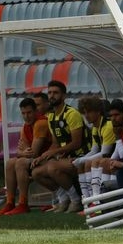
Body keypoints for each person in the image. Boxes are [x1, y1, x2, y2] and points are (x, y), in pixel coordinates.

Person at [30, 80, 86, 213]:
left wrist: (54, 152)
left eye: (55, 93)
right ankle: (63, 198)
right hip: (65, 158)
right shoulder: (51, 117)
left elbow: (77, 143)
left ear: (64, 96)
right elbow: (55, 143)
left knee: (52, 167)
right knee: (36, 172)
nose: (51, 95)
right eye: (49, 92)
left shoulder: (71, 114)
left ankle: (76, 201)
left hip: (80, 156)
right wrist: (44, 155)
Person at [0, 97, 50, 216]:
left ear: (36, 111)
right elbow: (20, 152)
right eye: (23, 113)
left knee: (20, 163)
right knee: (10, 162)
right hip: (35, 159)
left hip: (47, 158)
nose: (26, 116)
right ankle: (10, 203)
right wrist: (24, 151)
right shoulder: (26, 126)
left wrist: (23, 151)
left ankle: (23, 203)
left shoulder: (41, 123)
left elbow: (34, 152)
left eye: (29, 112)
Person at [74, 96, 116, 202]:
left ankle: (97, 201)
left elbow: (105, 152)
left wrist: (83, 160)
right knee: (82, 164)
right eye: (84, 113)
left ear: (98, 111)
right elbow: (94, 150)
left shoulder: (108, 125)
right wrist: (80, 160)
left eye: (89, 112)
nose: (86, 116)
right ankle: (88, 200)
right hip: (106, 157)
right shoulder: (95, 127)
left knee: (90, 163)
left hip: (113, 157)